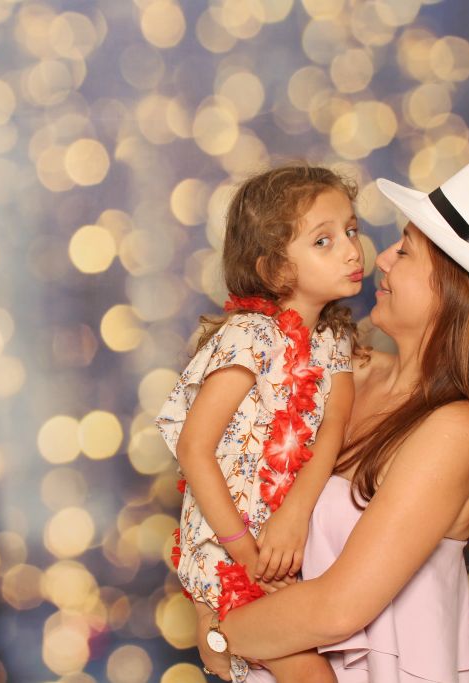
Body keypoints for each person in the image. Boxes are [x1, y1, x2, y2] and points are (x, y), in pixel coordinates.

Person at [196, 160, 469, 682]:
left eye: (406, 250)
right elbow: (223, 474)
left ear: (457, 291)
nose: (380, 257)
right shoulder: (338, 371)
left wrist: (220, 632)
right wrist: (211, 596)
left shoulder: (455, 431)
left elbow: (338, 608)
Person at [156, 165, 368, 682]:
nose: (352, 251)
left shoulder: (334, 342)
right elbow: (194, 449)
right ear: (274, 270)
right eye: (324, 240)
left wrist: (294, 515)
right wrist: (245, 553)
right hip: (229, 550)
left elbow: (333, 428)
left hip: (287, 550)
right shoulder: (248, 336)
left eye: (352, 230)